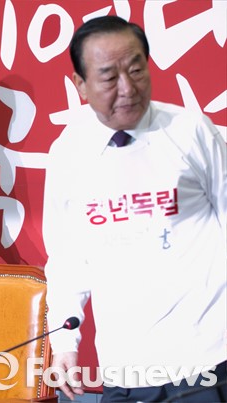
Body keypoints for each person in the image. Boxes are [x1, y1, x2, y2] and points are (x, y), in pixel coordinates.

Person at [43, 16, 226, 402]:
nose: (127, 88)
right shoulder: (68, 153)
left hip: (203, 358)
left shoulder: (191, 132)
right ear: (80, 85)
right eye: (109, 77)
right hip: (123, 366)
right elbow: (67, 259)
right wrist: (64, 344)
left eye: (137, 70)